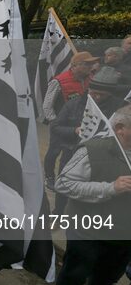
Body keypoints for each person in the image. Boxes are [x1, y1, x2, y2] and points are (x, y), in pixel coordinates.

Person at [51, 104, 131, 285]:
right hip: (89, 230)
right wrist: (110, 188)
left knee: (107, 277)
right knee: (76, 272)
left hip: (123, 234)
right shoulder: (92, 150)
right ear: (120, 129)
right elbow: (63, 183)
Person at [50, 66, 128, 215]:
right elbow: (56, 126)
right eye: (94, 93)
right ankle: (58, 213)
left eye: (102, 95)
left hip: (104, 156)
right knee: (65, 187)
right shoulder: (74, 104)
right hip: (72, 151)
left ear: (110, 93)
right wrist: (74, 130)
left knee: (93, 188)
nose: (97, 97)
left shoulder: (120, 108)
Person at [42, 51, 99, 190]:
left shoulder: (90, 79)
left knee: (72, 153)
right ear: (75, 66)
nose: (90, 67)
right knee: (54, 152)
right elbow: (47, 106)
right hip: (61, 125)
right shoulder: (59, 81)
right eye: (87, 64)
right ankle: (49, 177)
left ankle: (66, 178)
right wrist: (55, 123)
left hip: (80, 126)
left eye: (91, 64)